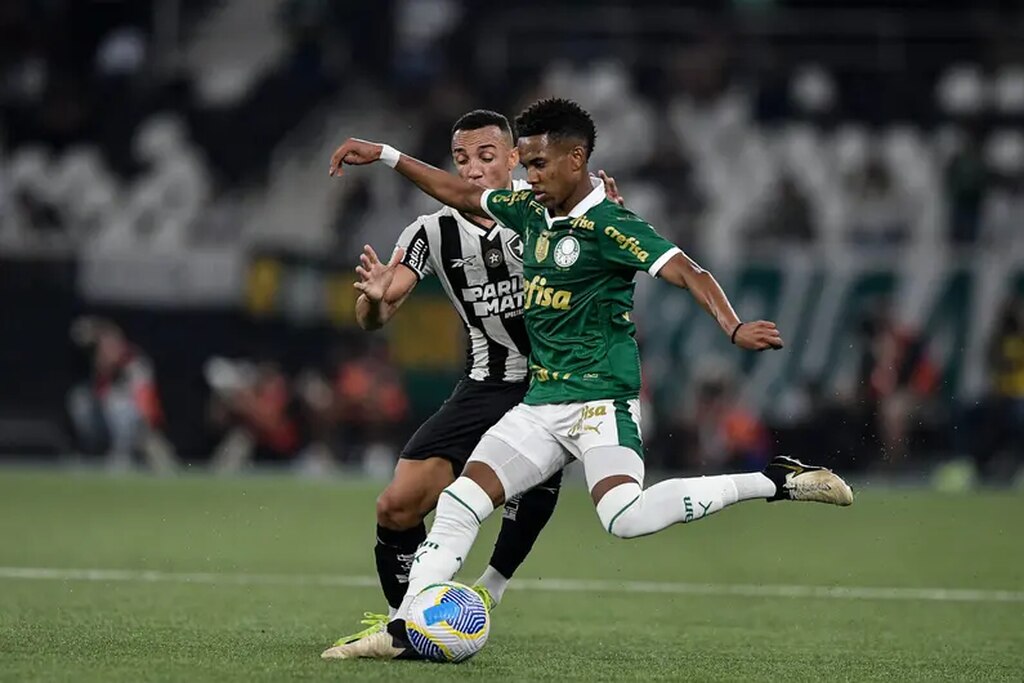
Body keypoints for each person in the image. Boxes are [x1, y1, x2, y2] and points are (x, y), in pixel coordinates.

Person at [323, 98, 853, 661]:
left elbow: (686, 270)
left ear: (575, 160)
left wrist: (734, 325)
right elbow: (458, 195)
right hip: (540, 399)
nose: (529, 178)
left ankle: (774, 481)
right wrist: (384, 154)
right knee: (459, 502)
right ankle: (404, 629)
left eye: (537, 165)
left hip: (602, 401)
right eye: (525, 166)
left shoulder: (611, 224)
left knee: (625, 518)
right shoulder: (529, 213)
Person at [327, 109, 626, 648]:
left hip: (548, 384)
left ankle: (492, 587)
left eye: (486, 156)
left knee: (522, 488)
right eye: (462, 158)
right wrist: (371, 301)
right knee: (395, 505)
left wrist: (607, 220)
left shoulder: (545, 211)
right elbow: (379, 312)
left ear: (514, 159)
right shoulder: (430, 231)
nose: (472, 168)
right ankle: (406, 622)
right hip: (484, 383)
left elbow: (605, 254)